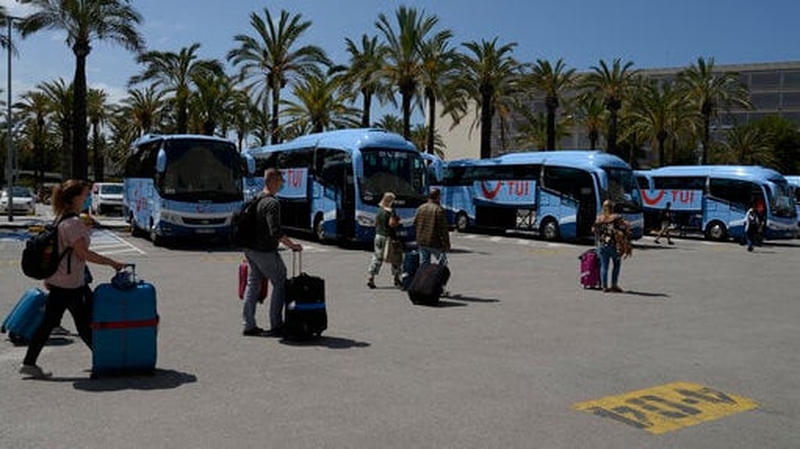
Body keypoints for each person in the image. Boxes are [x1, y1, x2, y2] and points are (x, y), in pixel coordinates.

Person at [20, 180, 126, 379]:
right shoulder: (74, 223)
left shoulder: (62, 219)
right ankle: (107, 362)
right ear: (76, 198)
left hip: (62, 281)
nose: (87, 199)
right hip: (69, 284)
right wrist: (112, 262)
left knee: (51, 323)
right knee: (83, 324)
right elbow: (83, 254)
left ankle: (29, 363)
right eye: (85, 195)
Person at [241, 168, 303, 337]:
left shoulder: (257, 199)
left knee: (253, 284)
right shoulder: (272, 203)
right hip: (264, 250)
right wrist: (292, 245)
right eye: (281, 182)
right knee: (280, 282)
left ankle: (248, 324)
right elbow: (275, 230)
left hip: (249, 248)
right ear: (273, 181)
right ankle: (276, 324)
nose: (282, 185)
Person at [592, 199, 630, 293]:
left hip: (602, 245)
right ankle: (614, 285)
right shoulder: (616, 217)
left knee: (604, 266)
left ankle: (604, 287)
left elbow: (593, 230)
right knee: (616, 265)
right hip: (614, 245)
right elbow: (627, 226)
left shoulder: (599, 218)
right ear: (612, 207)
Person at [367, 192, 401, 289]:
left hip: (378, 236)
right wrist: (397, 221)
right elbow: (391, 224)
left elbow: (375, 223)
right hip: (388, 237)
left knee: (377, 257)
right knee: (396, 258)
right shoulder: (391, 211)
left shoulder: (380, 210)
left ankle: (371, 277)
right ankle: (396, 279)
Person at [414, 188, 450, 267]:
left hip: (422, 241)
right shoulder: (438, 209)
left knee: (424, 263)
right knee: (443, 263)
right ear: (437, 197)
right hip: (435, 242)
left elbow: (415, 223)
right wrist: (446, 244)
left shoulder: (420, 208)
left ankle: (423, 278)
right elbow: (443, 229)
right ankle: (438, 278)